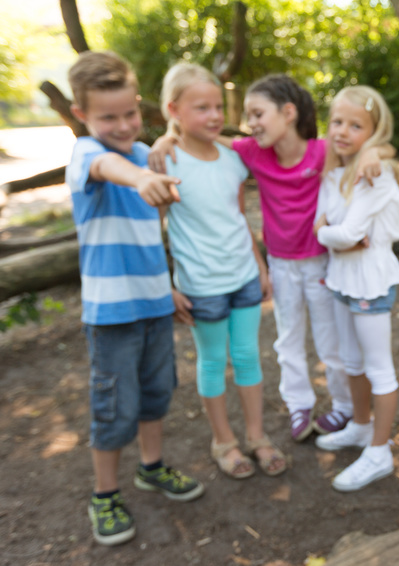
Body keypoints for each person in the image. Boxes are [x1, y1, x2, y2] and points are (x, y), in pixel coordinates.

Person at [150, 74, 388, 443]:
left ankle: (342, 405)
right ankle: (299, 404)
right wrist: (169, 136)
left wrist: (374, 152)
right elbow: (207, 139)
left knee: (331, 342)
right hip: (281, 263)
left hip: (321, 264)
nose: (251, 123)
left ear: (288, 112)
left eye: (258, 113)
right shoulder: (251, 152)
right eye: (248, 116)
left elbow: (366, 146)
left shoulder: (321, 152)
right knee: (288, 338)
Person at [66, 51, 204, 547]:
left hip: (153, 305)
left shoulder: (145, 151)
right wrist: (141, 175)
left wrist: (166, 288)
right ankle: (104, 493)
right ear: (82, 115)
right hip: (111, 315)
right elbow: (105, 165)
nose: (123, 125)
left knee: (155, 393)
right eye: (109, 116)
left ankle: (152, 467)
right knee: (112, 406)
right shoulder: (86, 154)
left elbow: (148, 241)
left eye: (129, 113)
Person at [158, 62, 286, 479]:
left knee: (249, 355)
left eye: (217, 106)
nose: (214, 116)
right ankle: (223, 442)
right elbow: (152, 228)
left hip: (244, 276)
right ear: (174, 109)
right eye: (201, 108)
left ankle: (257, 437)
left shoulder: (233, 158)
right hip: (201, 285)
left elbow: (236, 215)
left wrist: (259, 262)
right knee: (213, 361)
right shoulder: (164, 160)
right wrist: (166, 284)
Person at [312, 86, 399, 491]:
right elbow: (324, 230)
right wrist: (340, 237)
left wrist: (339, 235)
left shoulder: (375, 173)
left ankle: (379, 451)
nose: (343, 131)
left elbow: (347, 231)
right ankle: (360, 425)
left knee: (378, 367)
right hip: (341, 278)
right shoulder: (334, 174)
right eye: (337, 122)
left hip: (370, 280)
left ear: (373, 131)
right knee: (351, 360)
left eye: (355, 125)